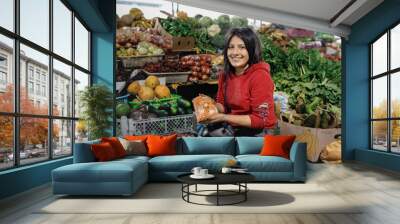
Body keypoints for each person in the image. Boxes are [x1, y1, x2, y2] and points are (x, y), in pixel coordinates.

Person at [205, 27, 277, 136]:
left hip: (261, 133)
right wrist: (210, 107)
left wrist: (224, 117)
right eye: (231, 47)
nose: (235, 52)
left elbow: (261, 119)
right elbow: (223, 105)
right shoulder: (225, 74)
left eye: (242, 47)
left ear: (251, 49)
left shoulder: (260, 76)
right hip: (235, 128)